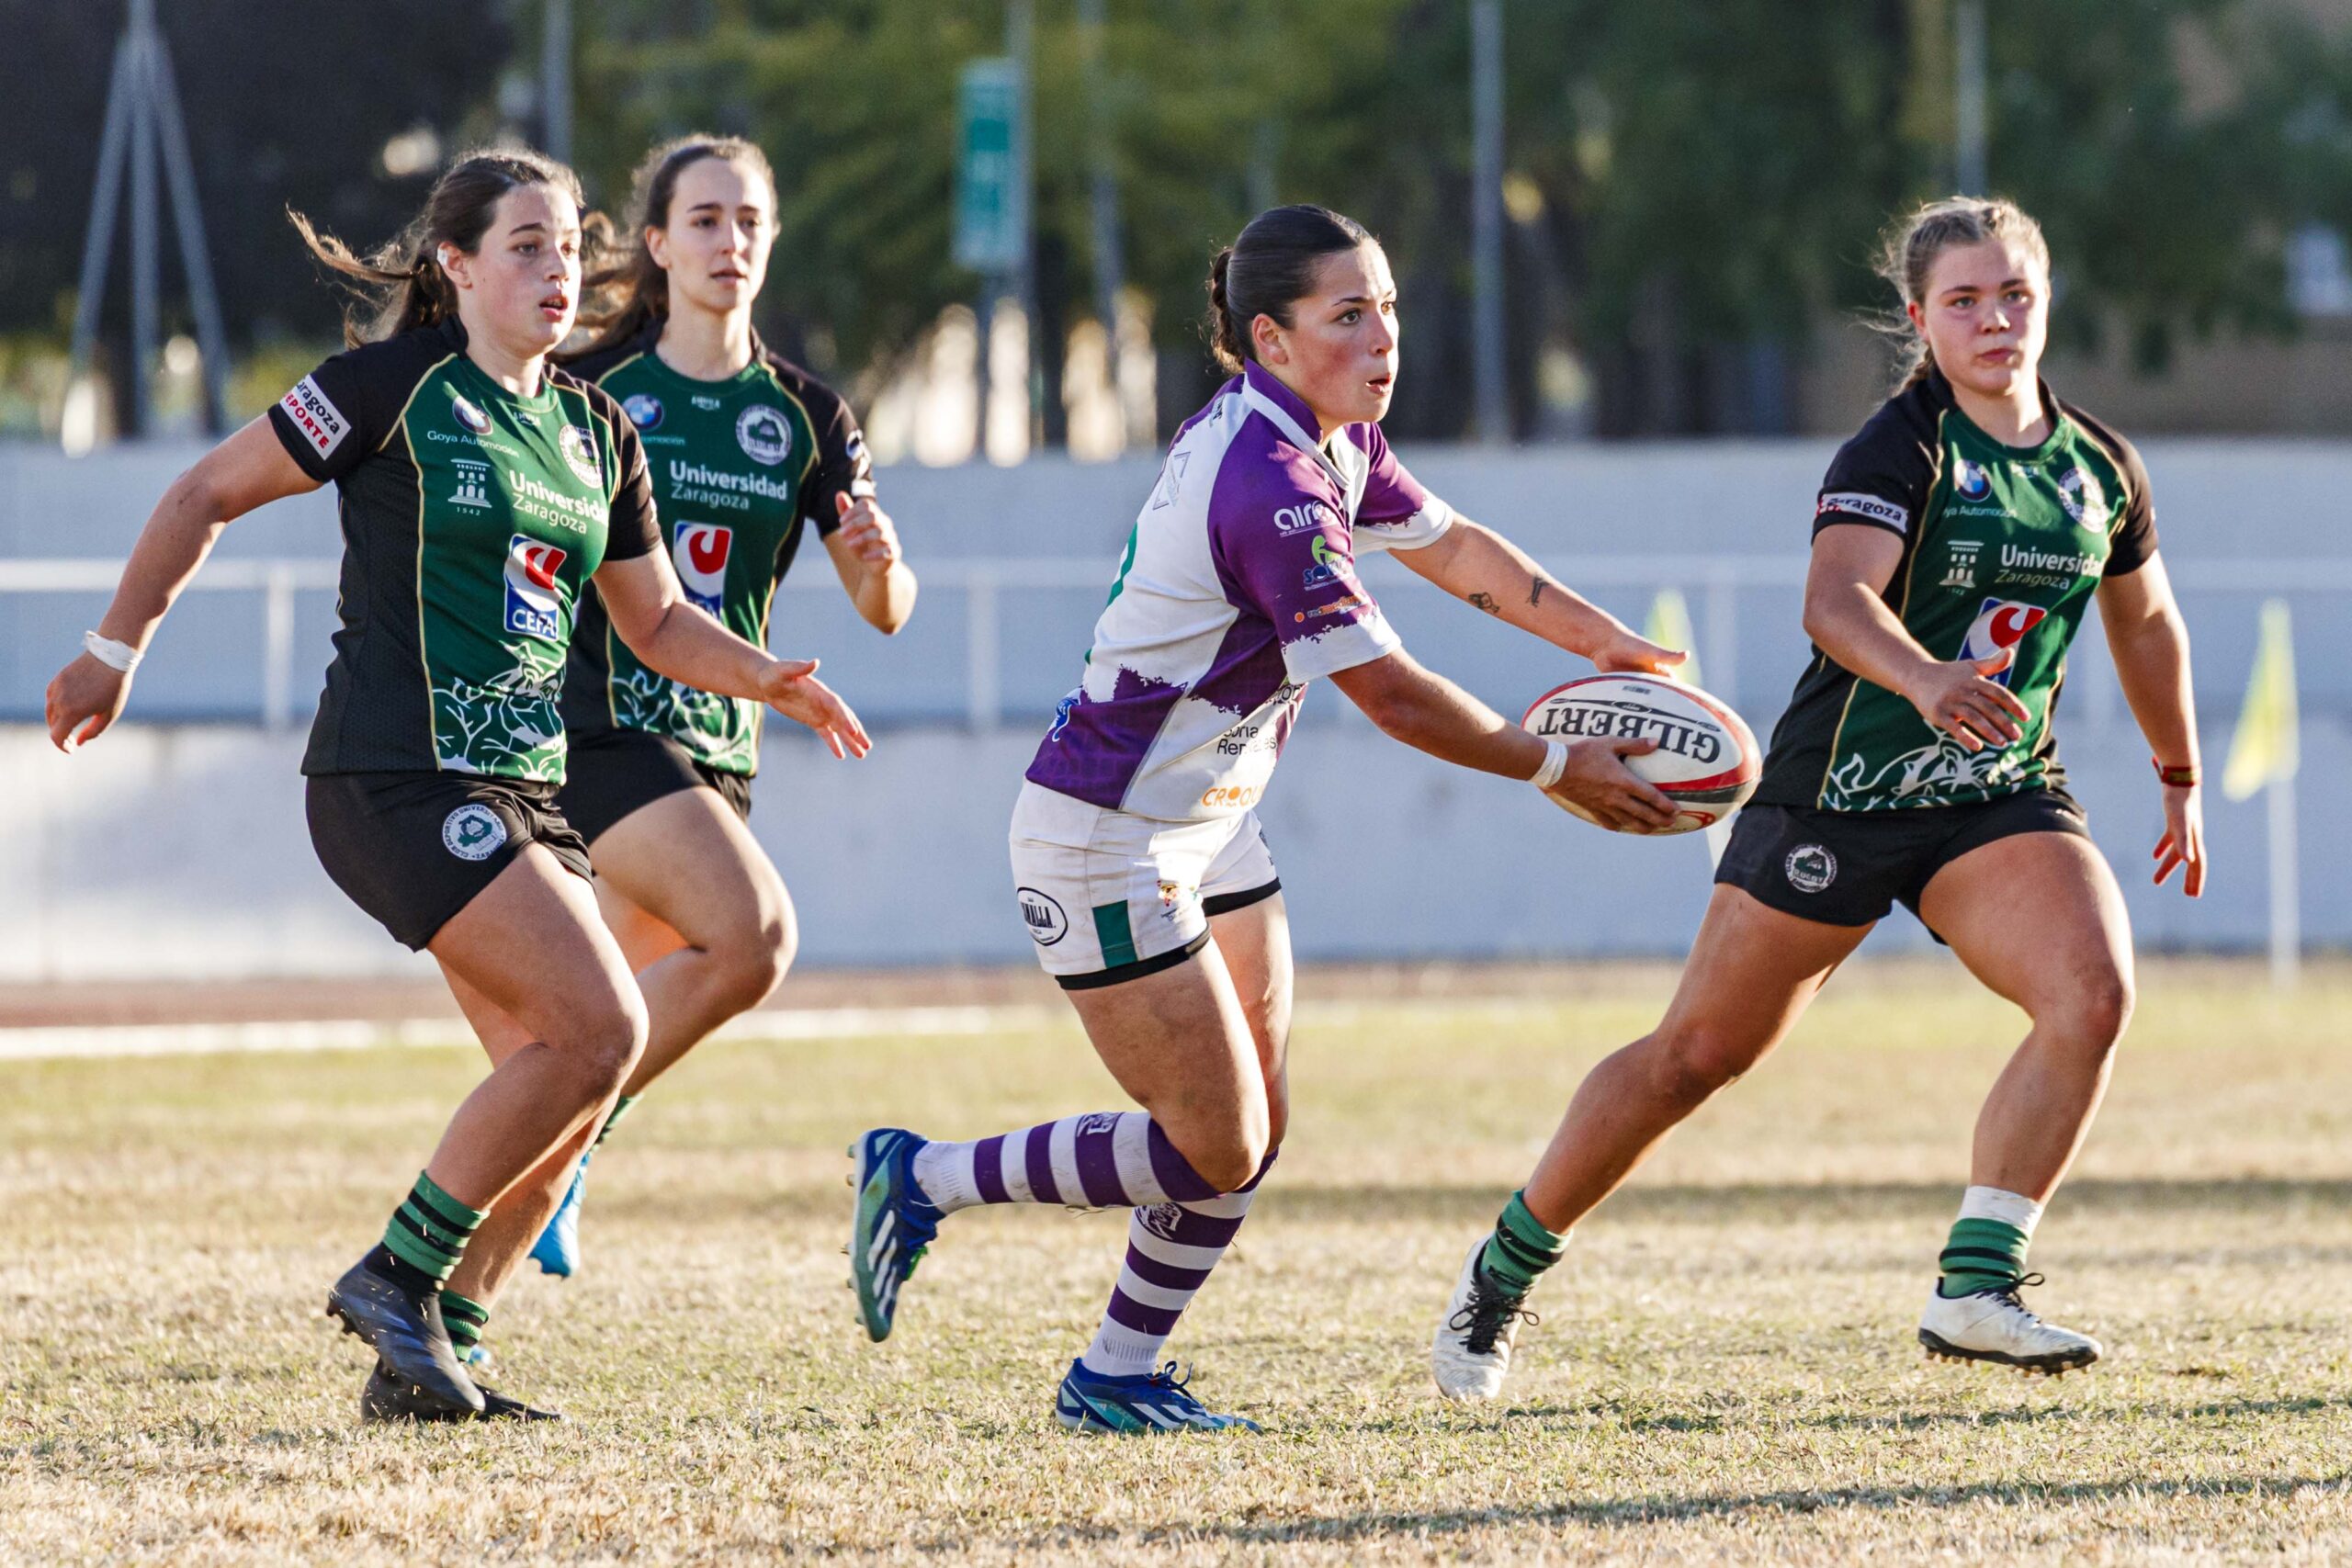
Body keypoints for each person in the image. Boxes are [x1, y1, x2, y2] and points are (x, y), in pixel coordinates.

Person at [42, 148, 869, 1424]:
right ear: (459, 265)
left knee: (568, 1085)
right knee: (605, 1027)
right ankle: (394, 1274)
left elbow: (654, 622)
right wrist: (113, 650)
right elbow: (206, 489)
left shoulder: (598, 431)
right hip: (394, 774)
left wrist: (769, 678)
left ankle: (434, 1352)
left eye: (568, 246)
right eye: (525, 246)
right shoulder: (392, 388)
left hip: (527, 789)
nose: (556, 270)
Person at [844, 204, 1685, 1434]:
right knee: (1217, 1141)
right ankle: (921, 1176)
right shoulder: (1269, 479)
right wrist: (1558, 764)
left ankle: (1116, 1375)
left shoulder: (1330, 438)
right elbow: (1394, 696)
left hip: (1210, 825)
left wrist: (1598, 638)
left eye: (1386, 306)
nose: (1383, 336)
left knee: (1255, 1127)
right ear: (1269, 340)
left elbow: (1458, 550)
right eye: (1349, 315)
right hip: (1106, 837)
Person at [1430, 196, 2207, 1402]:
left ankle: (1976, 1284)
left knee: (2090, 993)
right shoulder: (1901, 447)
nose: (1995, 319)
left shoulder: (2098, 464)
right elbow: (1835, 602)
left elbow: (2146, 622)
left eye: (2015, 295)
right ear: (1919, 317)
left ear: (2047, 301)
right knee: (1692, 1058)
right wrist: (1926, 677)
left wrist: (2178, 773)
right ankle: (1503, 1270)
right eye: (1964, 300)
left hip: (1994, 794)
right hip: (1838, 795)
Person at [522, 135, 915, 1282]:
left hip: (718, 750)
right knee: (746, 942)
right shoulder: (596, 389)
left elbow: (885, 610)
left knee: (603, 1023)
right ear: (656, 242)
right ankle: (545, 1161)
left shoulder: (807, 415)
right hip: (600, 724)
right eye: (703, 220)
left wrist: (880, 561)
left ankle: (522, 1188)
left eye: (748, 221)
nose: (728, 241)